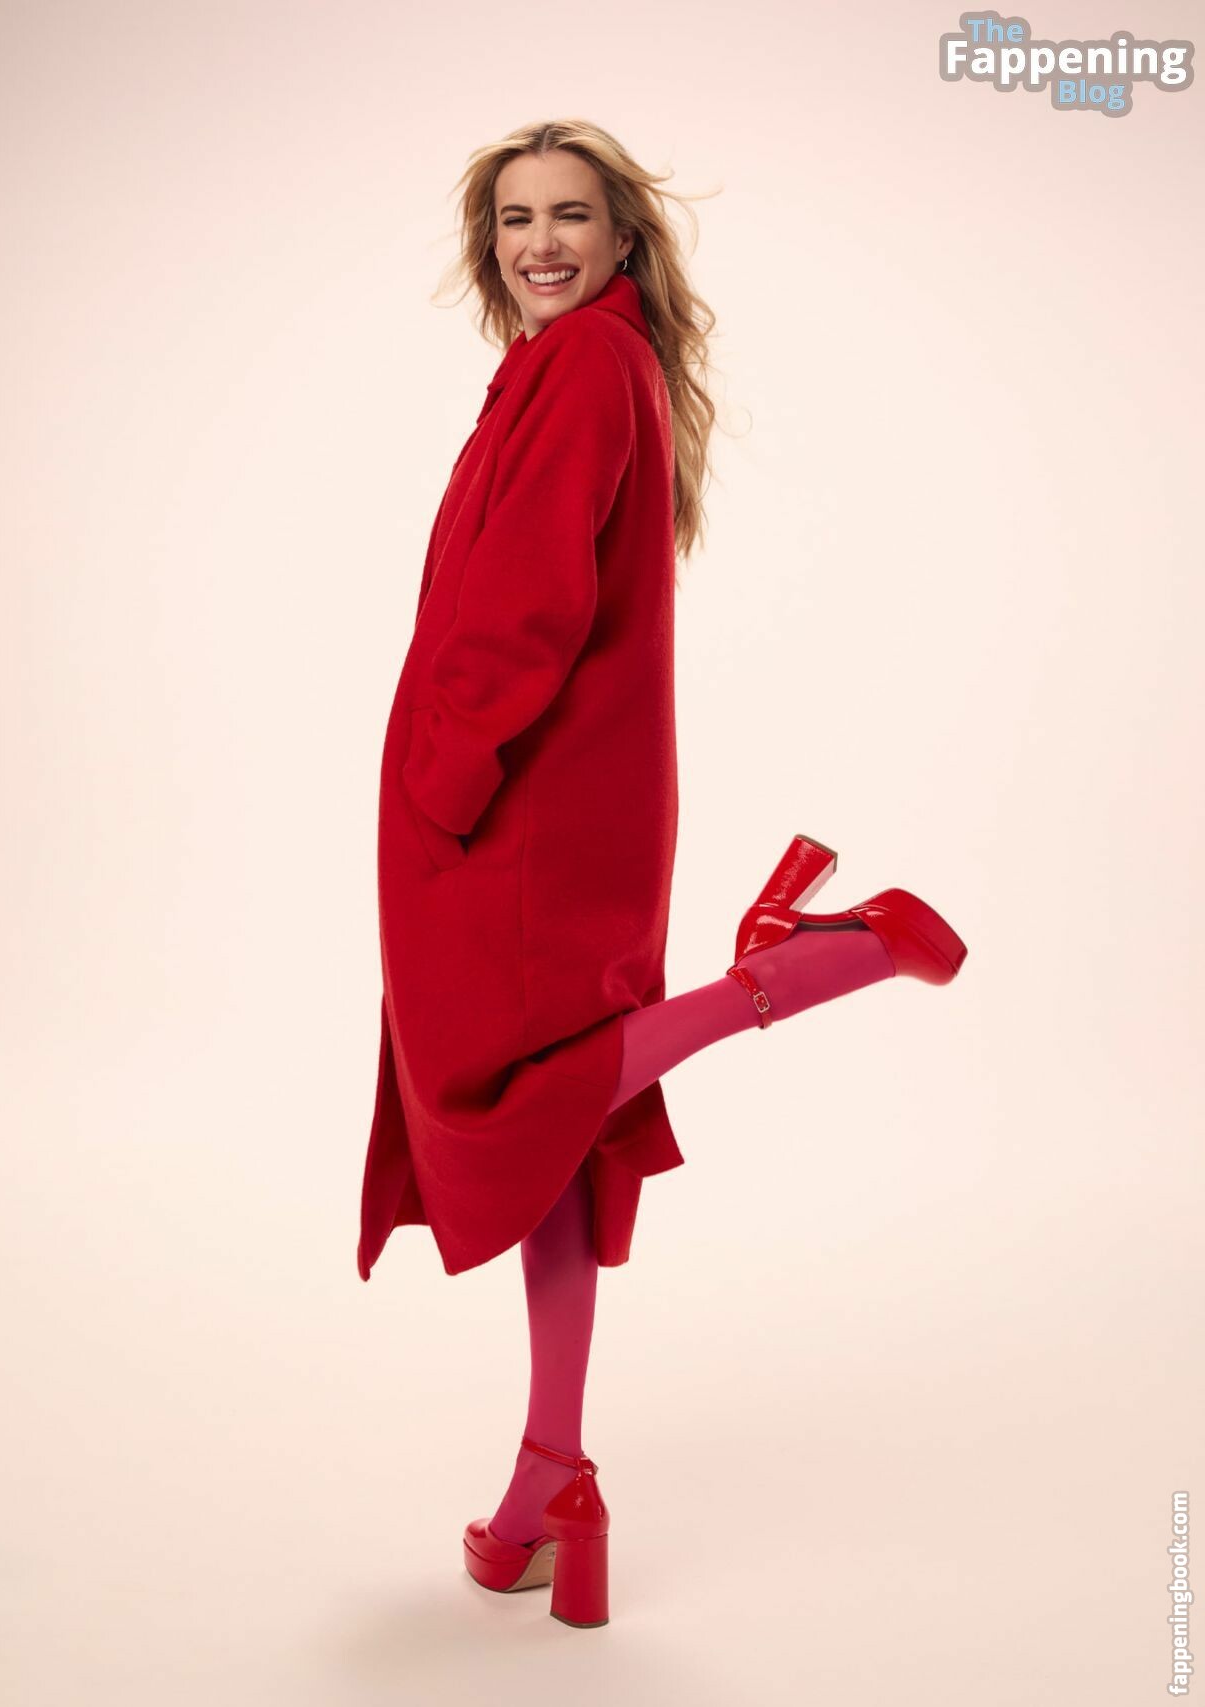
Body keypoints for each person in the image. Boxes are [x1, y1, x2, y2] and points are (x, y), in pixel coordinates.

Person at [356, 119, 968, 1629]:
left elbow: (526, 602)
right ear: (488, 243)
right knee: (558, 1127)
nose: (540, 243)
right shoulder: (582, 363)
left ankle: (820, 961)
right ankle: (551, 1479)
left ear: (624, 237)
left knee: (505, 1095)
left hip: (511, 804)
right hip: (560, 793)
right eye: (515, 219)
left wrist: (444, 777)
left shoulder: (581, 366)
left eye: (571, 216)